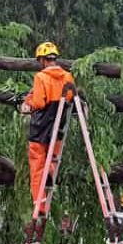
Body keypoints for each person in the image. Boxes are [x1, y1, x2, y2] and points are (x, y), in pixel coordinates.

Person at [18, 41, 75, 213]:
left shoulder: (40, 77)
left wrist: (28, 105)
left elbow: (39, 102)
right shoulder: (68, 77)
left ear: (42, 60)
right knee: (52, 159)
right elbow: (70, 98)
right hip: (58, 129)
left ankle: (39, 204)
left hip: (40, 129)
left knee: (37, 166)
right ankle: (50, 173)